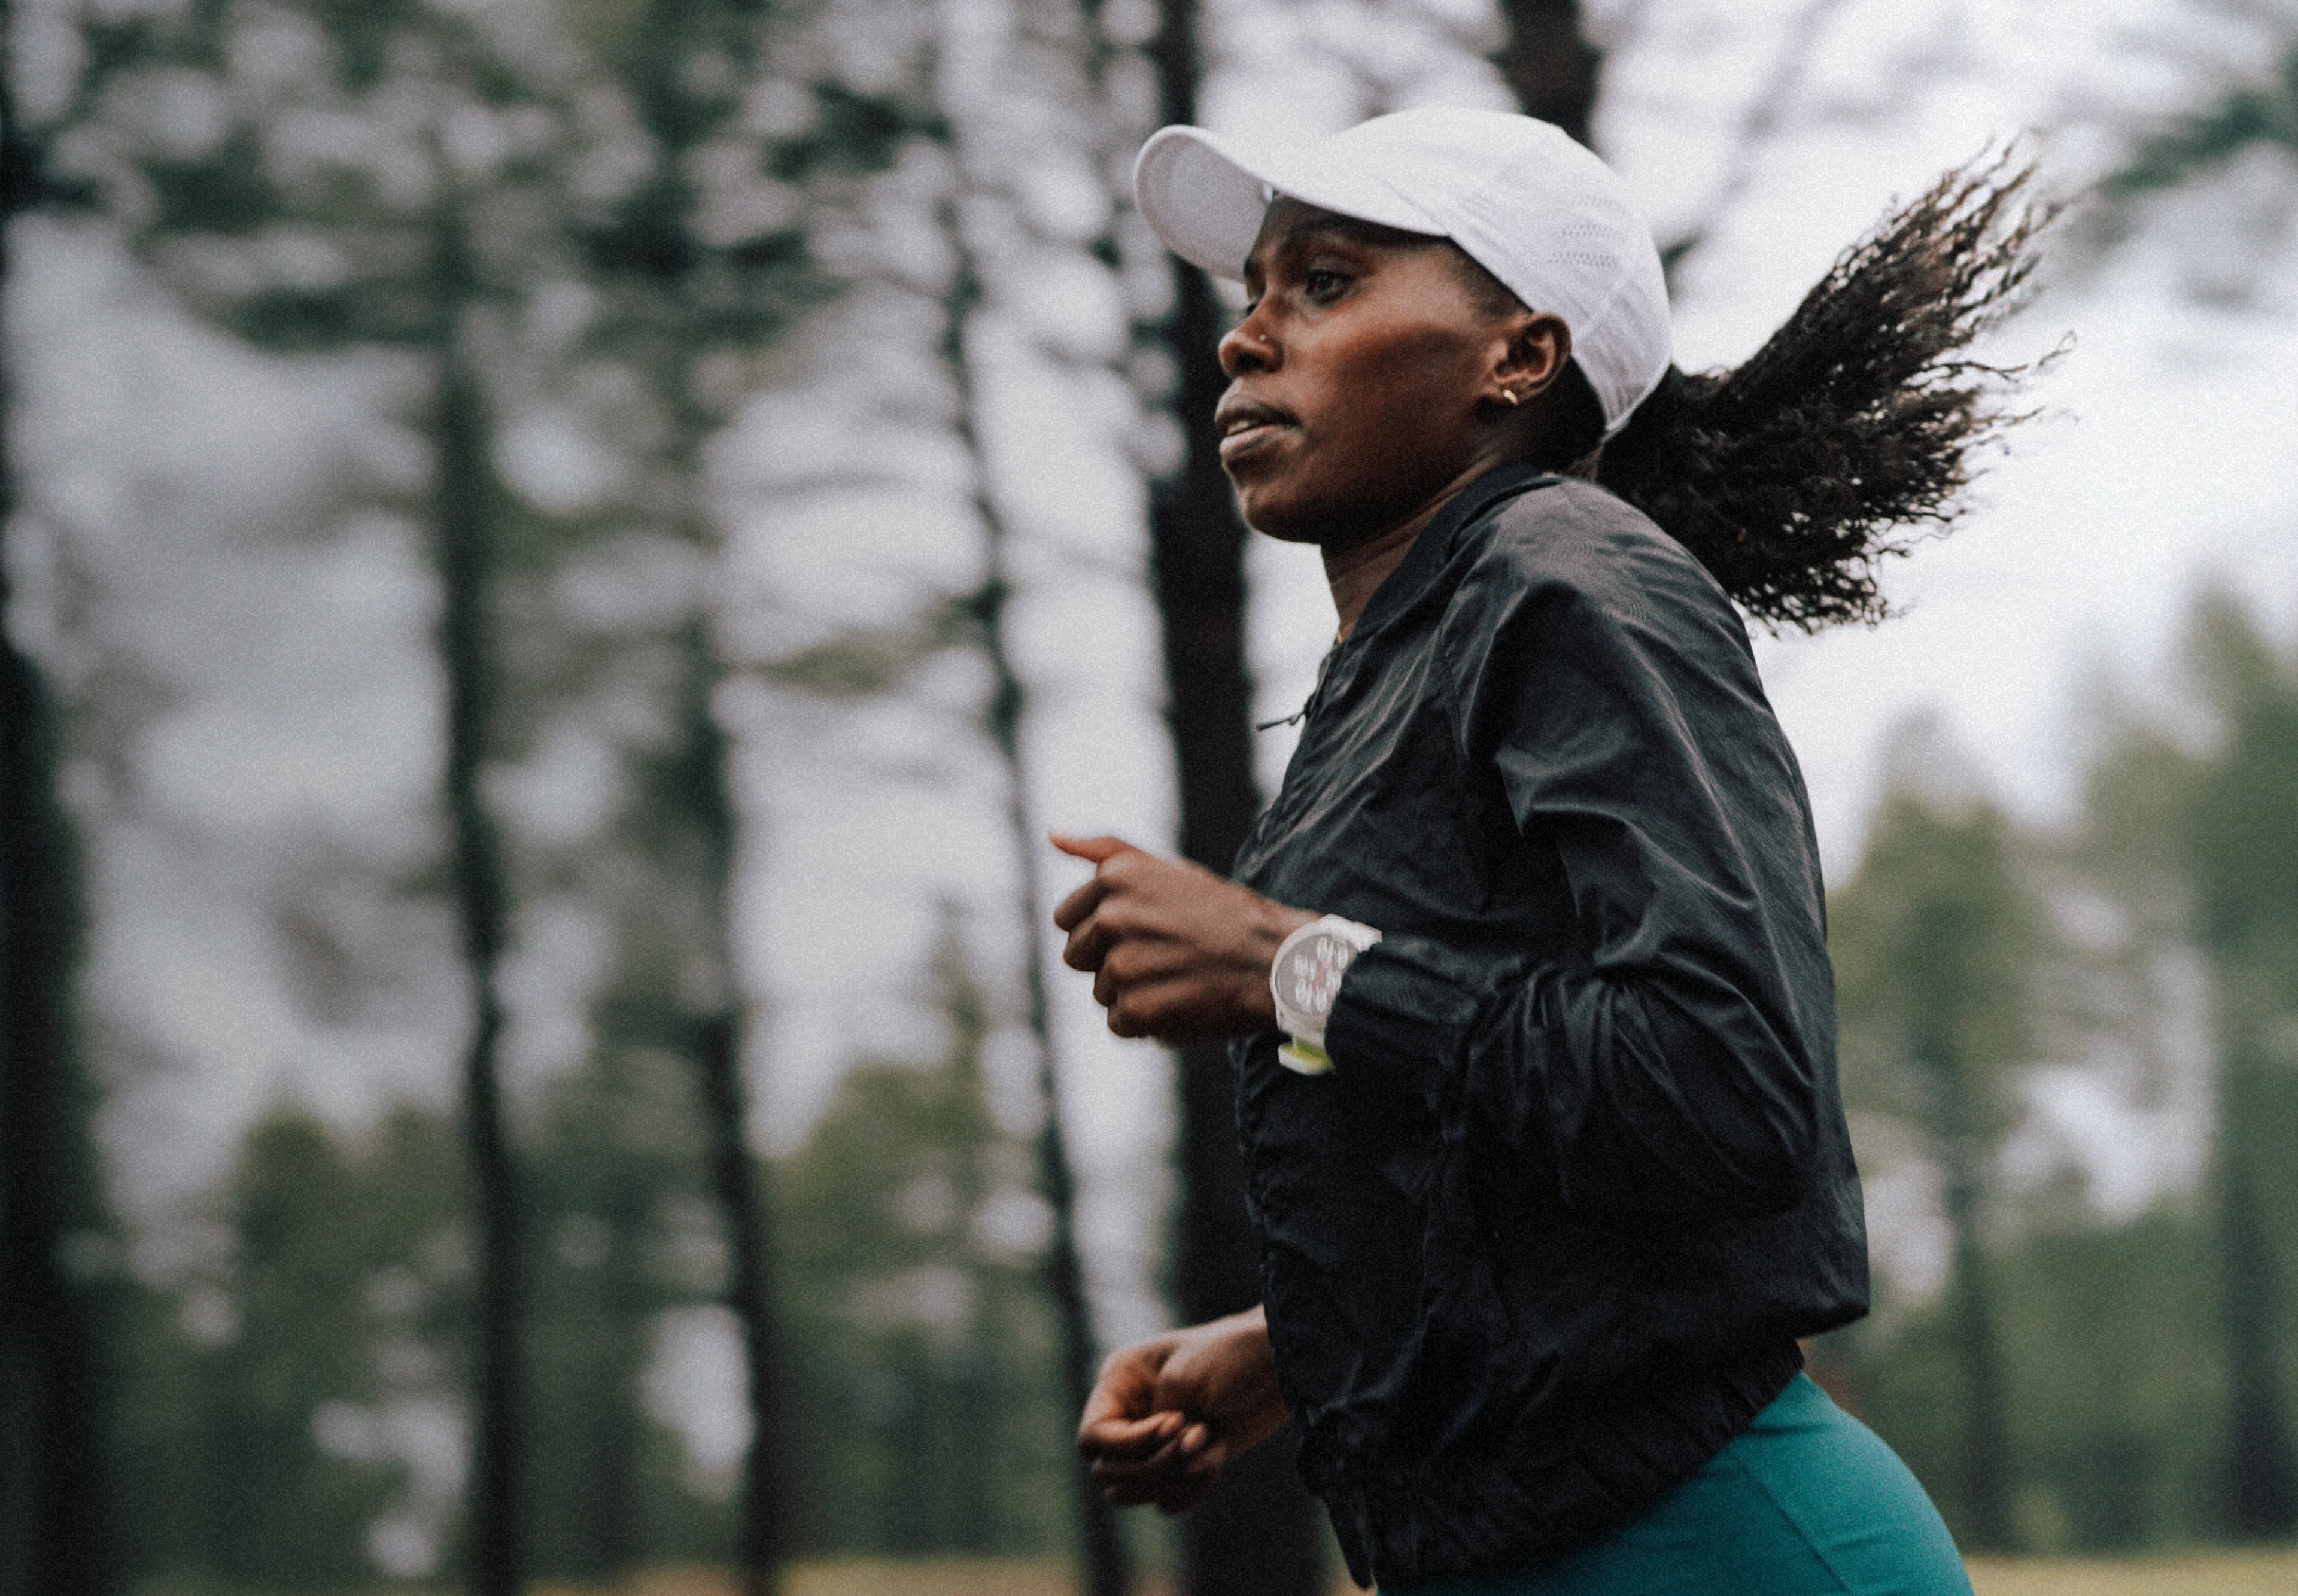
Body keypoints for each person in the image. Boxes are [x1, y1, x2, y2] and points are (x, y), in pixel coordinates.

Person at [1051, 106, 2039, 1595]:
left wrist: (1284, 964)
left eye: (1324, 282)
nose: (1245, 340)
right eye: (1251, 293)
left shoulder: (1571, 578)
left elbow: (1721, 1082)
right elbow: (1525, 1132)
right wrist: (1295, 1353)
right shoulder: (1406, 660)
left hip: (1711, 1546)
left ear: (1520, 354)